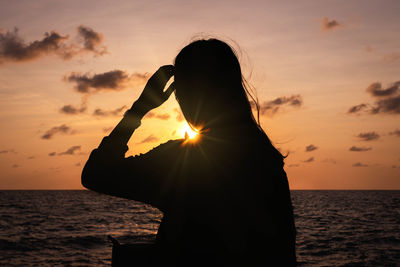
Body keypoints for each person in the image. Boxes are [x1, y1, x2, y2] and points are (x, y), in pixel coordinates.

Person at [82, 38, 296, 266]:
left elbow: (96, 174)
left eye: (180, 91)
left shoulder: (183, 162)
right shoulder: (266, 160)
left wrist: (141, 107)